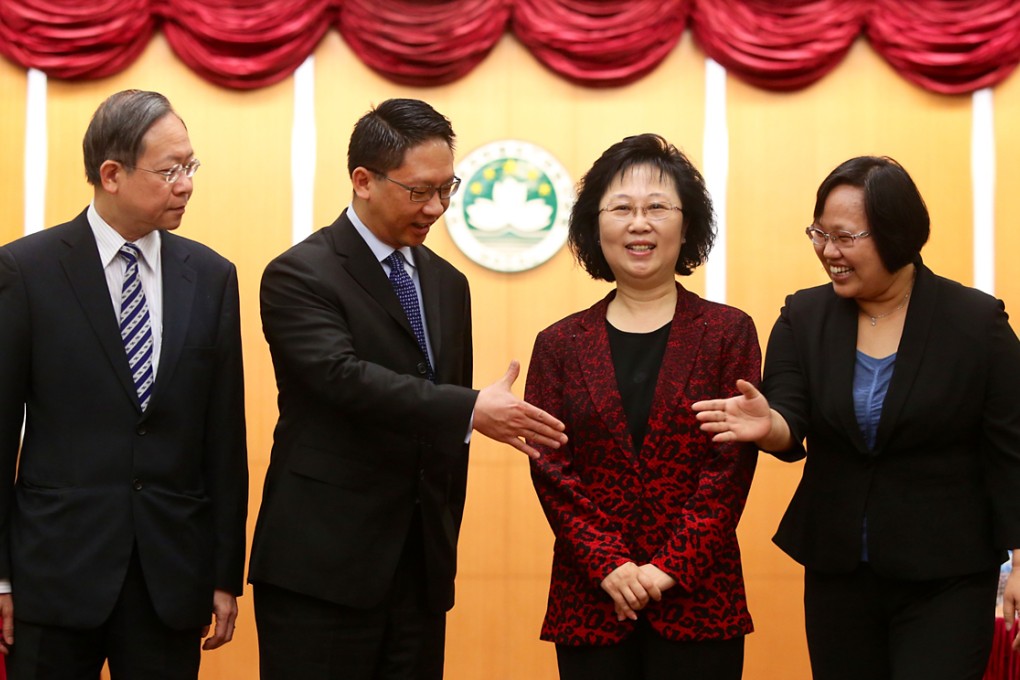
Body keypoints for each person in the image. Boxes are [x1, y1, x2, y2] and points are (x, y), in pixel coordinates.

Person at [248, 97, 568, 680]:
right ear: (363, 180)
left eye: (447, 188)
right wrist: (471, 409)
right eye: (420, 191)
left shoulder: (448, 284)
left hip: (420, 568)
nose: (438, 207)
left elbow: (435, 422)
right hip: (322, 566)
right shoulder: (300, 273)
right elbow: (340, 377)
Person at [692, 155, 1020, 680]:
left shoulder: (975, 322)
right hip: (839, 568)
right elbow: (789, 417)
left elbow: (1012, 446)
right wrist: (768, 424)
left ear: (897, 235)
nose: (827, 251)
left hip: (948, 571)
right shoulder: (804, 316)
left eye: (844, 237)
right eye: (818, 233)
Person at [0, 89, 248, 678]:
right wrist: (0, 576)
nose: (186, 184)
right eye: (169, 171)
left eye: (190, 166)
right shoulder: (26, 271)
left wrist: (222, 574)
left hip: (170, 577)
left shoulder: (211, 276)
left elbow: (223, 438)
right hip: (53, 575)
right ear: (111, 174)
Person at [524, 133, 760, 680]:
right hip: (591, 597)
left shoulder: (729, 332)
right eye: (621, 208)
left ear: (687, 223)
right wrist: (609, 564)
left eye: (658, 207)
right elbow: (551, 470)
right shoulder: (559, 344)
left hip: (700, 599)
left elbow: (729, 471)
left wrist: (668, 569)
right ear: (594, 225)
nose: (640, 224)